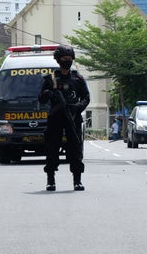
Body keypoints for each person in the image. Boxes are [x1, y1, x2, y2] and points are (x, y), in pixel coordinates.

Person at [39, 45, 90, 191]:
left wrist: (78, 107)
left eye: (69, 58)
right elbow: (41, 98)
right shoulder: (51, 79)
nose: (67, 61)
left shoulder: (78, 79)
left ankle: (77, 180)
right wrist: (49, 94)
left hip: (73, 118)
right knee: (52, 149)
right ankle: (50, 180)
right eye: (64, 58)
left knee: (75, 149)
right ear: (58, 60)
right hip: (55, 118)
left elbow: (86, 97)